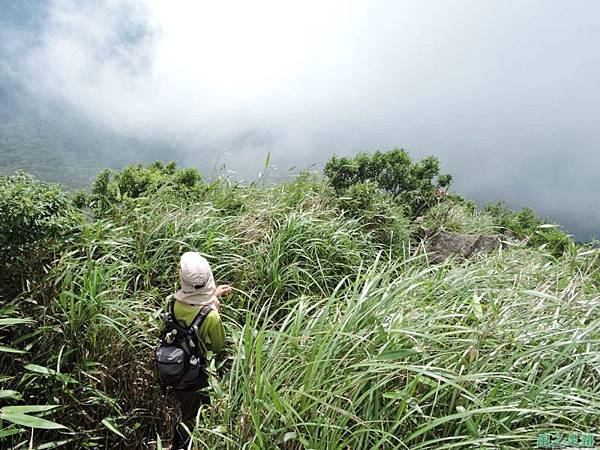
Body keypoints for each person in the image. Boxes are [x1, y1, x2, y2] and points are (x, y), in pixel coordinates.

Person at [168, 251, 231, 450]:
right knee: (193, 412)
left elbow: (190, 306)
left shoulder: (171, 301)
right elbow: (218, 346)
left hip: (174, 362)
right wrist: (215, 309)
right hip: (194, 372)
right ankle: (183, 443)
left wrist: (212, 296)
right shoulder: (211, 316)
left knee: (183, 402)